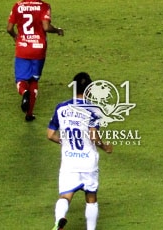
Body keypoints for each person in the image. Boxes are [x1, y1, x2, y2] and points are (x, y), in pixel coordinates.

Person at [47, 72, 112, 230]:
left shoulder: (61, 108)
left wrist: (66, 142)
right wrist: (104, 146)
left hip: (69, 162)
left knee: (65, 196)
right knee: (91, 197)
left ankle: (60, 219)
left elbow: (50, 135)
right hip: (88, 161)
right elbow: (93, 135)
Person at [7, 0, 64, 122]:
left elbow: (9, 28)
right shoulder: (44, 6)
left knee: (21, 79)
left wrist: (15, 37)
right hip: (38, 50)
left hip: (22, 48)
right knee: (33, 80)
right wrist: (57, 30)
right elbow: (46, 27)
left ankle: (24, 92)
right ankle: (29, 114)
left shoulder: (17, 6)